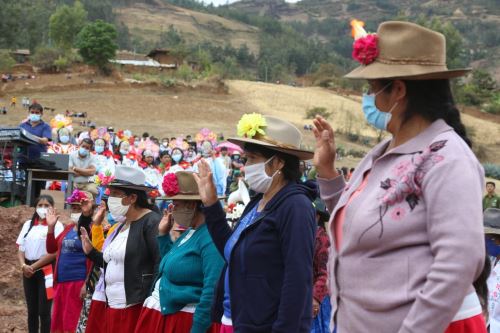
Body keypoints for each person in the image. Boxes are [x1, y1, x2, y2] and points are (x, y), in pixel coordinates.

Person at [314, 21, 486, 332]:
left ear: (398, 90)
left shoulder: (447, 158)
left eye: (372, 88)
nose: (368, 99)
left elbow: (458, 262)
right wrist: (327, 172)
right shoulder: (383, 152)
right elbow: (363, 223)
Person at [194, 114, 317, 332]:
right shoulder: (258, 202)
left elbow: (297, 280)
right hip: (235, 320)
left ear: (277, 163)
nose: (245, 166)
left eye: (251, 159)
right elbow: (231, 250)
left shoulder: (296, 206)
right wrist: (212, 205)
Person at [135, 171, 224, 333]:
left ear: (191, 205)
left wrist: (197, 328)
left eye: (175, 205)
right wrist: (163, 236)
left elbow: (211, 290)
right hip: (165, 314)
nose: (172, 210)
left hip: (183, 320)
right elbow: (170, 264)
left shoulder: (209, 237)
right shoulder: (191, 231)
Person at [80, 166, 161, 333]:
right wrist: (91, 252)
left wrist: (149, 299)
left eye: (116, 194)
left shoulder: (151, 222)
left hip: (135, 305)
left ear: (132, 197)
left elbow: (159, 262)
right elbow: (113, 263)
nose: (110, 198)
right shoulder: (121, 225)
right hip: (113, 303)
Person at [46, 190, 94, 333]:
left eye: (79, 208)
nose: (76, 210)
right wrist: (51, 227)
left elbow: (93, 258)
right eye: (73, 207)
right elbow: (51, 248)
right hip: (61, 282)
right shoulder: (68, 228)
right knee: (58, 323)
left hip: (78, 282)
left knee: (72, 324)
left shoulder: (91, 229)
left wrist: (87, 283)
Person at [16, 195, 64, 333]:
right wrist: (23, 266)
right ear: (35, 207)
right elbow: (20, 249)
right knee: (32, 311)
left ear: (52, 207)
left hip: (47, 271)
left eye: (47, 205)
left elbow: (55, 252)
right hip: (27, 271)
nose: (43, 208)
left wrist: (33, 267)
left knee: (44, 311)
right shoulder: (28, 225)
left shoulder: (57, 225)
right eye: (40, 205)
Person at [311, 198, 331, 333]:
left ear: (317, 216)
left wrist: (315, 298)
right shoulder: (302, 233)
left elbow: (324, 272)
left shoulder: (321, 238)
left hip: (317, 300)